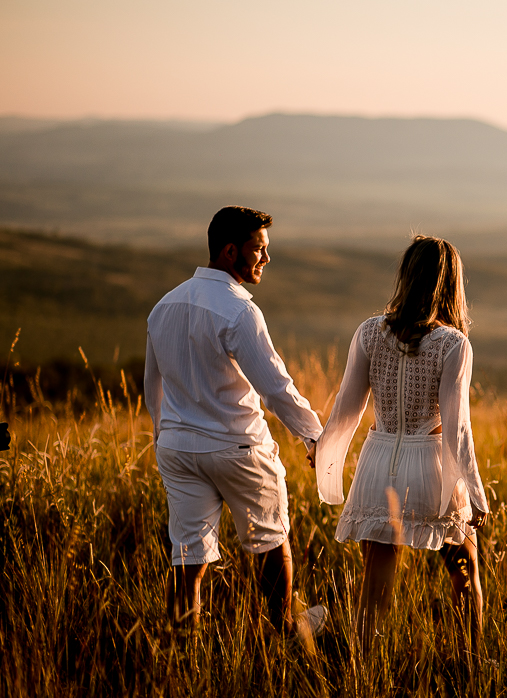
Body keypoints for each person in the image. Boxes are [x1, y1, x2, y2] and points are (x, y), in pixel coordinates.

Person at [145, 206, 326, 636]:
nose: (266, 258)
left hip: (178, 448)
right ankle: (287, 629)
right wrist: (316, 437)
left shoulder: (162, 307)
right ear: (230, 252)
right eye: (259, 249)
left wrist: (164, 434)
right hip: (238, 448)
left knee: (187, 554)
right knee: (269, 539)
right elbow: (276, 387)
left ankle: (181, 642)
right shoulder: (240, 311)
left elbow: (153, 387)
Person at [315, 235, 488, 652]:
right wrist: (477, 493)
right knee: (465, 577)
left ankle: (364, 675)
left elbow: (346, 411)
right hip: (431, 470)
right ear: (451, 284)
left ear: (406, 276)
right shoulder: (453, 343)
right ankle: (473, 668)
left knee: (374, 593)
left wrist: (324, 452)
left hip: (377, 467)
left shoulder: (369, 332)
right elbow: (457, 427)